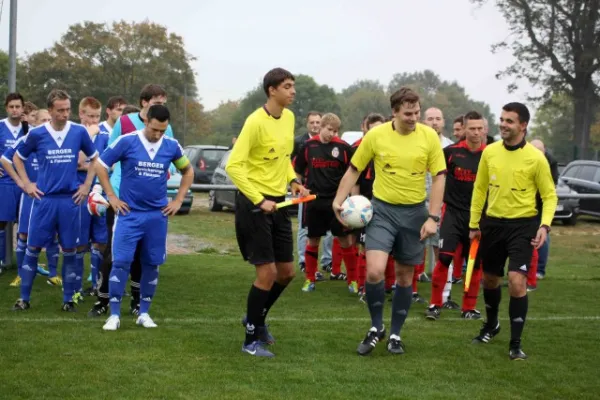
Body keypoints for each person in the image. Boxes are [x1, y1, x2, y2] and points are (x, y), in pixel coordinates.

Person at [333, 87, 446, 356]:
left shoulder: (429, 137)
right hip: (381, 211)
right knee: (374, 271)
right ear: (394, 112)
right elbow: (354, 169)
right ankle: (375, 327)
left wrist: (433, 217)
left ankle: (395, 333)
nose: (413, 118)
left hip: (415, 213)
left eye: (417, 112)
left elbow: (440, 176)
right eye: (408, 113)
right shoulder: (376, 135)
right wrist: (338, 201)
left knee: (406, 277)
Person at [225, 67, 308, 358]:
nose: (292, 91)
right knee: (267, 272)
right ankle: (250, 341)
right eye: (287, 86)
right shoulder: (254, 122)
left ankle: (255, 318)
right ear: (271, 90)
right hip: (254, 205)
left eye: (293, 86)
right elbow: (233, 166)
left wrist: (293, 180)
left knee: (287, 272)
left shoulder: (289, 118)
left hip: (279, 204)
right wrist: (259, 200)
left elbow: (284, 158)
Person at [469, 102, 557, 360]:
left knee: (517, 282)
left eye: (509, 121)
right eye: (502, 119)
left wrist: (545, 225)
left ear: (523, 125)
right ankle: (491, 325)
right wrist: (474, 224)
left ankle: (515, 343)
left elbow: (550, 196)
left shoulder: (536, 158)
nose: (503, 124)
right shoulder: (490, 152)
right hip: (493, 224)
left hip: (523, 226)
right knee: (491, 280)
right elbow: (479, 189)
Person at [98, 104, 193, 331]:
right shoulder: (127, 141)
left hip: (157, 216)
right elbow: (101, 165)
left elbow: (188, 171)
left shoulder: (171, 146)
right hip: (129, 214)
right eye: (154, 129)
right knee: (120, 262)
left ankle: (144, 313)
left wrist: (178, 200)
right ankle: (114, 315)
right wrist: (111, 195)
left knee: (152, 263)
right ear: (146, 121)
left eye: (162, 130)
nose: (158, 134)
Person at [88, 84, 173, 318]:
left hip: (150, 204)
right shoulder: (125, 123)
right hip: (121, 198)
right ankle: (102, 300)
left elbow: (173, 161)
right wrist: (106, 193)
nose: (160, 106)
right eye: (157, 102)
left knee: (141, 255)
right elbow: (108, 157)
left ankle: (137, 302)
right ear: (144, 102)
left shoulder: (166, 126)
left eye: (163, 103)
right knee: (113, 254)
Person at [12, 89, 99, 311]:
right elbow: (17, 158)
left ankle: (68, 300)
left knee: (70, 251)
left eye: (68, 109)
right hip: (45, 201)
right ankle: (24, 299)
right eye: (60, 110)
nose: (65, 114)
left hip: (70, 201)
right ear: (50, 110)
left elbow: (96, 159)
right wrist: (27, 184)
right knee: (32, 249)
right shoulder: (37, 134)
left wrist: (87, 186)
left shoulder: (79, 132)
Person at [425, 111, 487, 321]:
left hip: (478, 218)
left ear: (484, 129)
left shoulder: (490, 154)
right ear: (464, 129)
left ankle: (468, 307)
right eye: (472, 128)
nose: (476, 132)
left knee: (474, 264)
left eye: (480, 128)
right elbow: (436, 178)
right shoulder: (449, 152)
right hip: (452, 214)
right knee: (443, 259)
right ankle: (435, 304)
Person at [294, 113, 357, 293]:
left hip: (337, 203)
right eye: (329, 130)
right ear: (321, 126)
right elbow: (297, 172)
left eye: (335, 131)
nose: (332, 134)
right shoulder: (308, 146)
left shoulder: (343, 148)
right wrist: (299, 186)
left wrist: (351, 198)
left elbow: (352, 174)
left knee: (345, 240)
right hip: (314, 201)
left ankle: (352, 281)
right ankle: (309, 279)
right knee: (313, 240)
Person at [75, 97, 109, 299]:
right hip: (79, 192)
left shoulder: (104, 136)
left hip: (100, 194)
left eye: (97, 116)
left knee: (100, 240)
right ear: (81, 114)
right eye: (90, 116)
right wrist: (88, 135)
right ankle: (76, 286)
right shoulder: (75, 134)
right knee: (79, 241)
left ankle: (96, 283)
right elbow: (77, 162)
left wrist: (92, 166)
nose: (94, 120)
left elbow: (107, 165)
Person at [292, 112, 332, 276]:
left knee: (329, 230)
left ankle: (327, 261)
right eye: (312, 122)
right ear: (307, 124)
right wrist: (297, 186)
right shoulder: (300, 143)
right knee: (304, 228)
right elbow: (295, 167)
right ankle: (303, 261)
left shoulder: (330, 143)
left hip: (326, 194)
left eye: (318, 122)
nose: (315, 125)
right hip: (306, 191)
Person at [352, 113, 387, 300]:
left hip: (386, 206)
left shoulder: (389, 149)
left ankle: (387, 286)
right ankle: (362, 286)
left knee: (387, 249)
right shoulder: (362, 150)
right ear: (365, 129)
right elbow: (354, 179)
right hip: (364, 206)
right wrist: (354, 204)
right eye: (372, 128)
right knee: (365, 247)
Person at [0, 93, 28, 273]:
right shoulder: (1, 126)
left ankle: (24, 264)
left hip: (25, 182)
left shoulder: (29, 129)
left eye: (18, 106)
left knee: (24, 225)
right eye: (11, 106)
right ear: (6, 108)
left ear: (23, 108)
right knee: (1, 221)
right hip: (5, 182)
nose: (15, 110)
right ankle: (2, 261)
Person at [528, 139, 559, 284]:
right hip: (526, 203)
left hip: (541, 203)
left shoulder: (550, 162)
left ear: (544, 151)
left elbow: (550, 186)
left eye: (540, 151)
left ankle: (539, 269)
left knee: (543, 235)